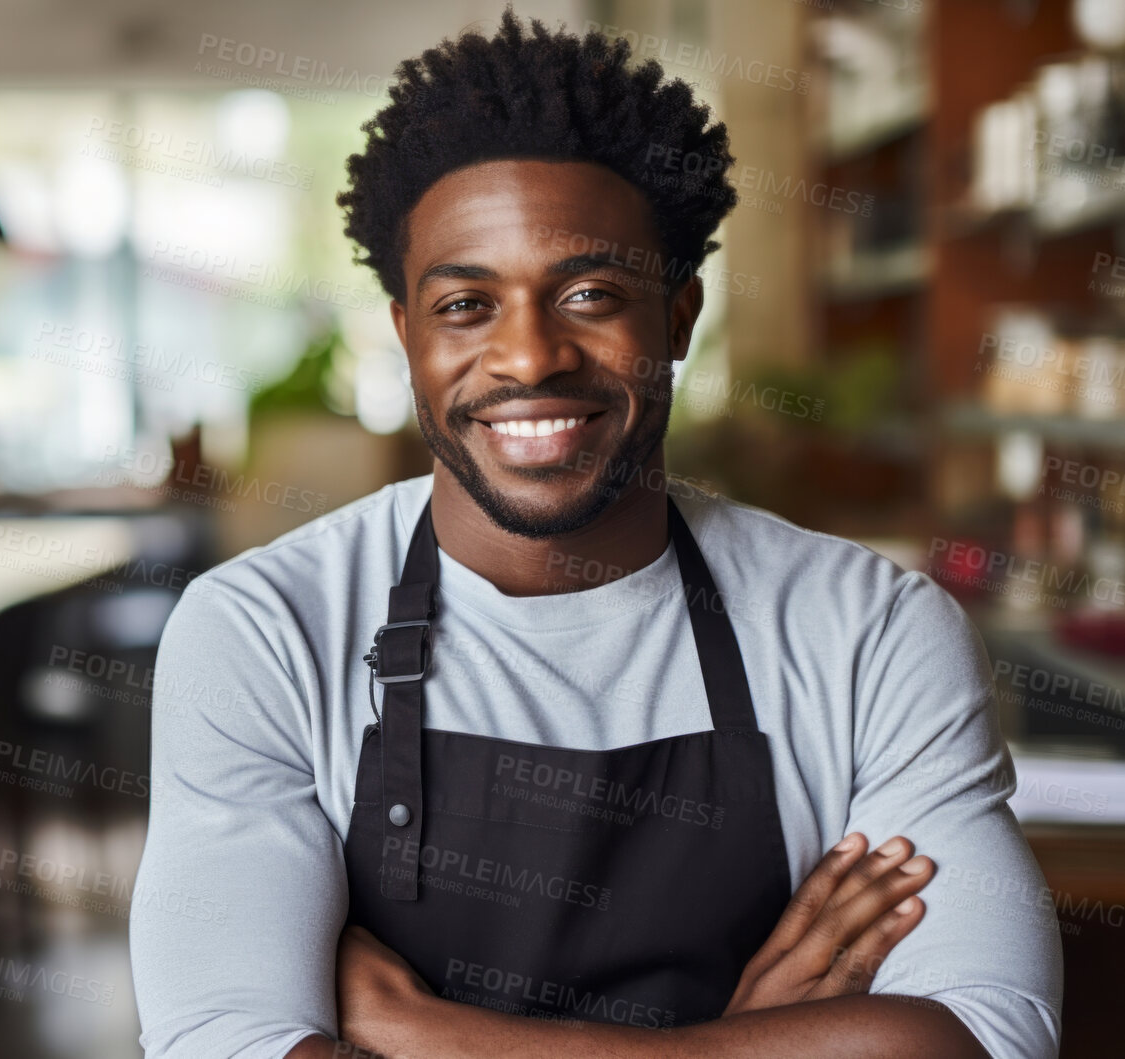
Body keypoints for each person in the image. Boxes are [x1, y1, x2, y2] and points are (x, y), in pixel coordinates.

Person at [128, 12, 1061, 1059]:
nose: (528, 356)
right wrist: (742, 1042)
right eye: (465, 305)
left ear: (676, 318)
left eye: (588, 295)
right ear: (406, 336)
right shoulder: (262, 630)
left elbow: (984, 1035)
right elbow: (224, 1043)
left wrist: (421, 1031)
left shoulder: (868, 629)